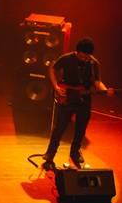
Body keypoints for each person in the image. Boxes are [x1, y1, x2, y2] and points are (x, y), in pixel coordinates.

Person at [42, 37, 113, 169]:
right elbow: (52, 69)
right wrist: (56, 87)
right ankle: (50, 154)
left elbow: (97, 82)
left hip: (84, 99)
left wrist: (105, 90)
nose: (85, 59)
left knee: (81, 129)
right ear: (77, 52)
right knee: (59, 128)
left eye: (87, 57)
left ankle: (75, 152)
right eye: (82, 57)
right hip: (67, 97)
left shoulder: (93, 63)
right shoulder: (66, 58)